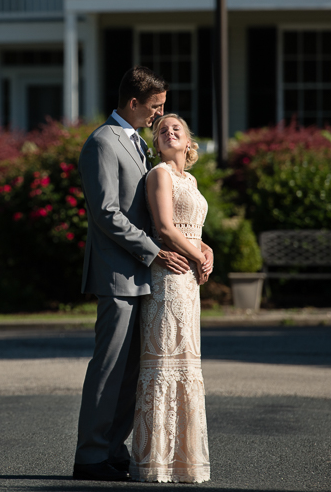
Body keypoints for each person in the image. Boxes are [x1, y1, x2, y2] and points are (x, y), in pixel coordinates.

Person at [73, 67, 211, 482]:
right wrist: (155, 253)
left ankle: (113, 449)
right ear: (133, 103)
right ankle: (90, 457)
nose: (158, 115)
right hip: (118, 273)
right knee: (110, 367)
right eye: (155, 107)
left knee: (133, 370)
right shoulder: (102, 142)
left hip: (144, 276)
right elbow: (106, 214)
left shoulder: (136, 144)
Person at [130, 113, 212, 483]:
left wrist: (207, 249)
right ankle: (156, 460)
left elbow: (190, 227)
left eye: (176, 127)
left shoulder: (190, 180)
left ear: (189, 141)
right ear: (157, 143)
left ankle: (184, 461)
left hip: (190, 279)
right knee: (165, 364)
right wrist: (196, 256)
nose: (168, 130)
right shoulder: (159, 173)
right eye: (161, 129)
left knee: (186, 365)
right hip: (170, 276)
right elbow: (164, 228)